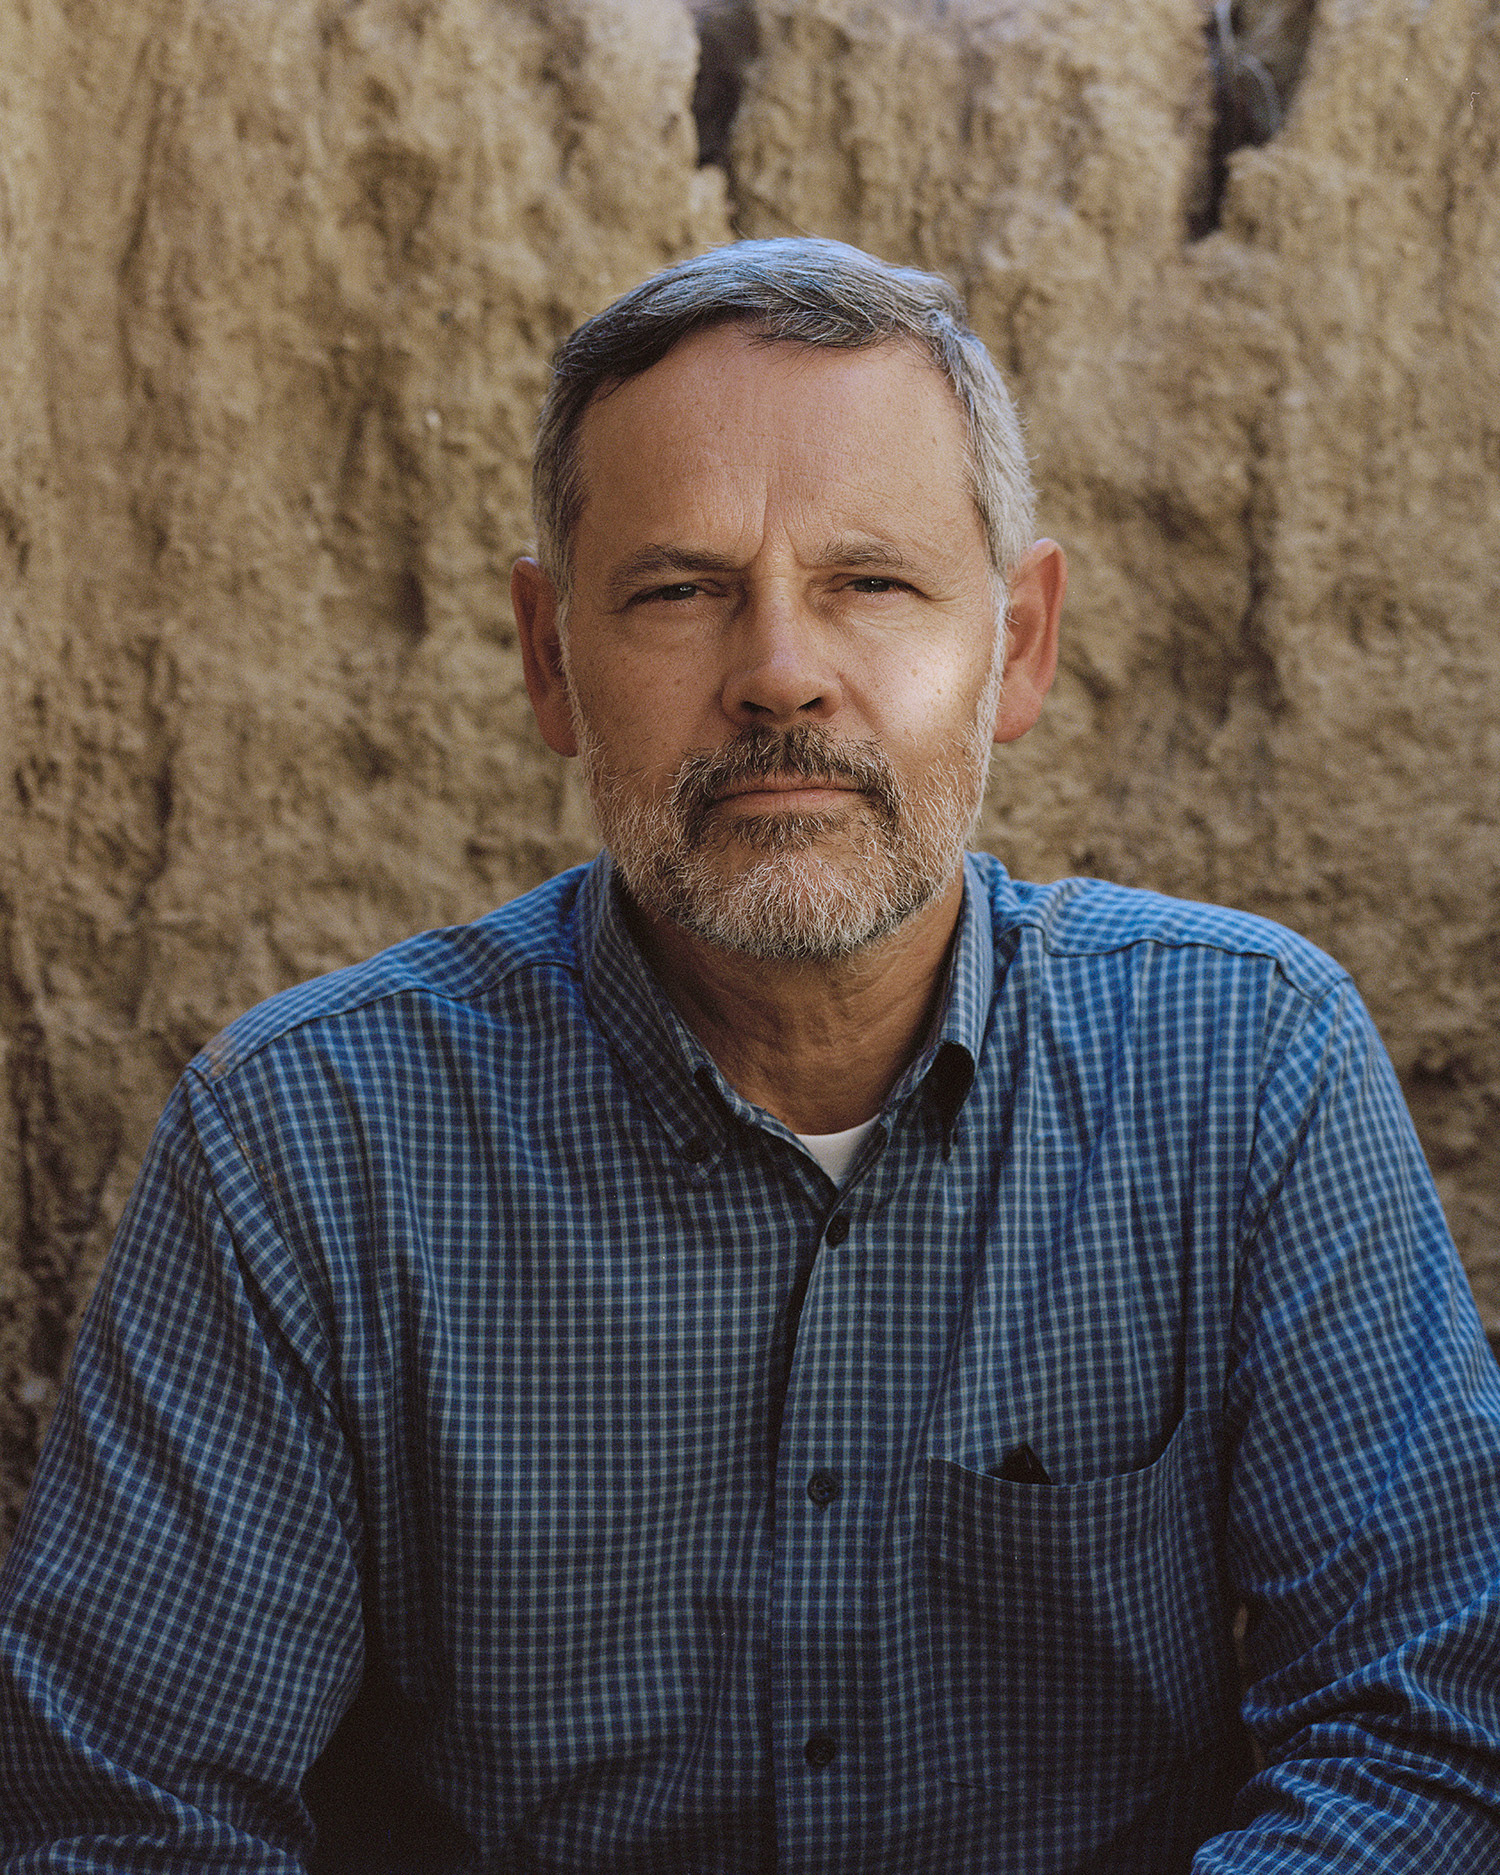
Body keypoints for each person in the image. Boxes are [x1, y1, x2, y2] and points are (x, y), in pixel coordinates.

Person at [2, 237, 1498, 1874]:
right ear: (547, 657)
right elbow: (131, 1826)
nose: (780, 668)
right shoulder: (304, 1148)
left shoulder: (1248, 1070)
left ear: (1018, 646)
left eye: (871, 581)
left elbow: (1423, 1728)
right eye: (679, 589)